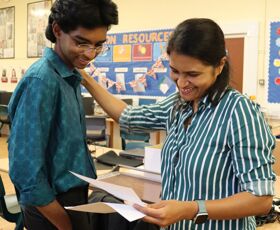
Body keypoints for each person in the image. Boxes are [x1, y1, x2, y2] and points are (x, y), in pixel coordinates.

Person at [80, 18, 276, 229]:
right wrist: (84, 78)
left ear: (219, 66)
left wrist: (191, 209)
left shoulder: (239, 112)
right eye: (175, 71)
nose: (182, 84)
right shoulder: (177, 105)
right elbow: (128, 116)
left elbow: (261, 199)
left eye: (192, 74)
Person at [8, 0, 118, 229]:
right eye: (81, 42)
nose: (91, 54)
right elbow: (25, 170)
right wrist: (62, 222)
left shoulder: (70, 76)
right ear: (57, 30)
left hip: (72, 197)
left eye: (99, 45)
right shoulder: (42, 81)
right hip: (51, 207)